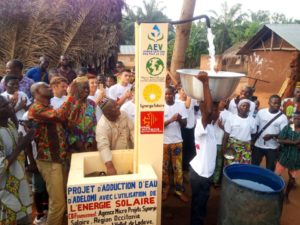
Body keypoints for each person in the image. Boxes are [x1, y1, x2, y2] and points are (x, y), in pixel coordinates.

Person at [28, 82, 80, 225]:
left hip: (58, 159)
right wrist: (70, 96)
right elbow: (59, 115)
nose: (50, 88)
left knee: (61, 200)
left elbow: (66, 120)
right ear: (36, 93)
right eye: (46, 87)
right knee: (58, 204)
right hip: (49, 161)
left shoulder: (48, 108)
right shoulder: (36, 109)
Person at [189, 72, 219, 225]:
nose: (217, 111)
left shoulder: (211, 127)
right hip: (200, 175)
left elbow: (212, 109)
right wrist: (205, 83)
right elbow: (207, 111)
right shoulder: (201, 125)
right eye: (214, 109)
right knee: (199, 208)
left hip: (202, 173)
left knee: (199, 204)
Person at [0, 95, 34, 225]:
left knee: (24, 218)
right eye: (5, 106)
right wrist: (21, 145)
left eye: (9, 104)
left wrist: (24, 140)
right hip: (5, 193)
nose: (10, 107)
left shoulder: (9, 124)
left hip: (20, 186)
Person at [96, 97, 134, 175]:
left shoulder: (124, 115)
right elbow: (103, 146)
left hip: (129, 153)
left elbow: (133, 131)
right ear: (107, 112)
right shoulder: (102, 126)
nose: (118, 107)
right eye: (114, 107)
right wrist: (110, 167)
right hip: (115, 158)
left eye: (117, 105)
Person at [163, 86, 188, 202]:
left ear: (174, 94)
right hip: (164, 142)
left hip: (177, 142)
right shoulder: (160, 106)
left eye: (170, 93)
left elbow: (185, 124)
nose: (168, 96)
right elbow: (158, 125)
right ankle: (165, 189)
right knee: (164, 168)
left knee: (178, 168)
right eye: (166, 94)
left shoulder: (180, 105)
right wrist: (171, 120)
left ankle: (179, 191)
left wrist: (179, 120)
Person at [252, 95, 288, 171]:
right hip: (258, 145)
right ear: (269, 103)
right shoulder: (261, 112)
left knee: (270, 169)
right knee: (254, 166)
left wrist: (272, 136)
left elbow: (284, 134)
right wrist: (253, 141)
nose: (277, 105)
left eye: (279, 103)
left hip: (273, 148)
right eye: (274, 103)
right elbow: (256, 127)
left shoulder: (283, 118)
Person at [222, 99, 257, 165]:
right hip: (232, 146)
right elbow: (226, 135)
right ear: (238, 107)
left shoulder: (252, 120)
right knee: (229, 165)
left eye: (247, 106)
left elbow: (254, 134)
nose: (245, 108)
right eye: (243, 106)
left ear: (249, 109)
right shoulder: (231, 118)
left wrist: (249, 145)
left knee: (244, 167)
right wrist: (224, 149)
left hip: (246, 147)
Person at [275, 111, 300, 201]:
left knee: (292, 179)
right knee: (276, 175)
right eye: (295, 118)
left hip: (296, 158)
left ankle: (286, 195)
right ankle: (275, 192)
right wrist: (294, 142)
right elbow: (280, 139)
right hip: (284, 156)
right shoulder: (290, 127)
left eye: (299, 119)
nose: (297, 120)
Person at [68, 76, 97, 152]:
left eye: (87, 88)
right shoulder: (69, 103)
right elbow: (67, 126)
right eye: (84, 88)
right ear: (77, 89)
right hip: (74, 145)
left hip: (88, 144)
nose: (87, 90)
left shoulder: (92, 104)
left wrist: (90, 141)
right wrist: (74, 141)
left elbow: (94, 123)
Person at [176, 87, 197, 171]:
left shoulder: (191, 99)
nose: (185, 92)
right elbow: (187, 106)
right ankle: (183, 169)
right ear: (179, 91)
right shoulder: (177, 102)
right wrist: (190, 93)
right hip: (182, 129)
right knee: (183, 150)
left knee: (191, 149)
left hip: (192, 129)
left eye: (186, 90)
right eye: (183, 90)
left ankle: (189, 168)